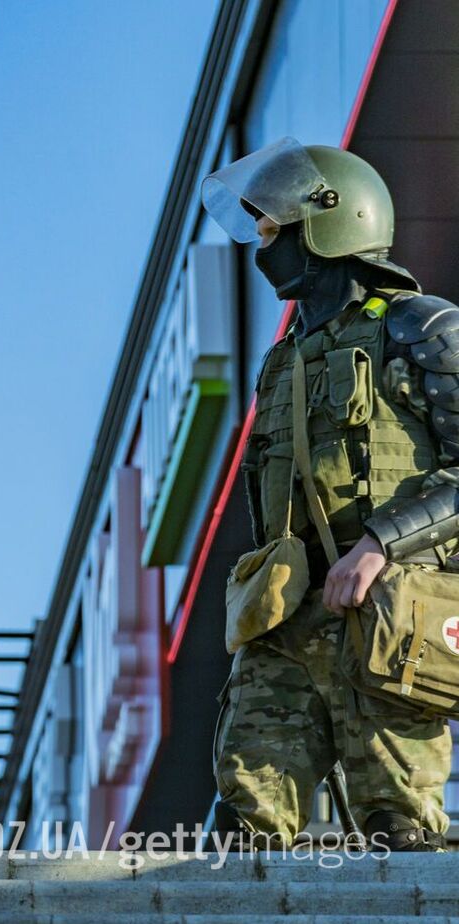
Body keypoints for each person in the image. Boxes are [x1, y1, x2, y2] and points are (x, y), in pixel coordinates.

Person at [201, 138, 452, 851]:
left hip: (391, 612)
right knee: (242, 824)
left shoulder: (421, 327)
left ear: (331, 222)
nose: (263, 245)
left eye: (276, 228)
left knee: (399, 833)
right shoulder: (285, 358)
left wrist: (379, 545)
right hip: (289, 614)